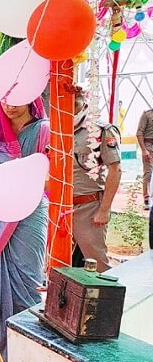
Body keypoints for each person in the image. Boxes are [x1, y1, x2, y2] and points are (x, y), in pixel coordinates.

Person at [0, 99, 50, 362]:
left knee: (27, 279)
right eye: (3, 99)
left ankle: (27, 354)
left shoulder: (43, 130)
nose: (10, 105)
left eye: (17, 99)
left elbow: (55, 173)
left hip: (30, 213)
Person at [72, 91, 122, 272]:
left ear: (84, 102)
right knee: (60, 264)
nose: (70, 107)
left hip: (89, 206)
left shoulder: (100, 130)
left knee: (97, 263)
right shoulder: (57, 128)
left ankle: (107, 300)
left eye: (75, 102)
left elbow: (115, 170)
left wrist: (104, 209)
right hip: (61, 209)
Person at [137, 109, 153, 209]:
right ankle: (147, 199)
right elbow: (139, 133)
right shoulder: (147, 115)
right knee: (148, 173)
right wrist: (143, 150)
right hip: (149, 147)